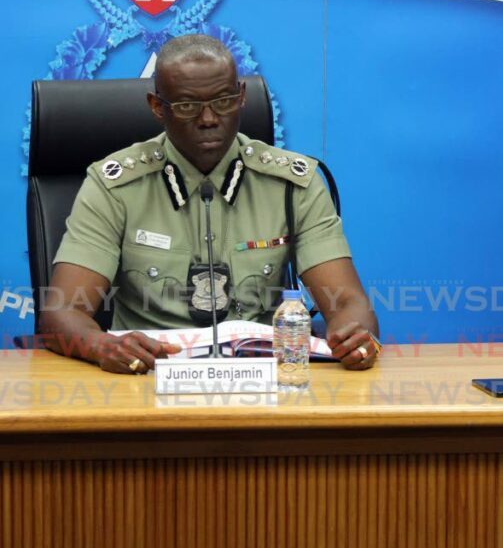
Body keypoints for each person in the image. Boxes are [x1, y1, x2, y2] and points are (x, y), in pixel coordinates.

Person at [40, 35, 380, 373]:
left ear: (242, 97)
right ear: (157, 107)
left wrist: (354, 336)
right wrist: (103, 347)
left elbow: (349, 303)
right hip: (146, 378)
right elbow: (62, 311)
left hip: (263, 381)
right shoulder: (114, 186)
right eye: (188, 105)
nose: (208, 118)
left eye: (224, 101)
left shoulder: (292, 185)